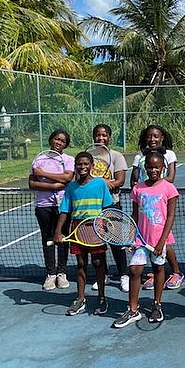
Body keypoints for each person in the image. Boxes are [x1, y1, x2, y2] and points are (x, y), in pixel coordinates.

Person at [113, 149, 179, 328]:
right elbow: (135, 216)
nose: (153, 170)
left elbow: (171, 217)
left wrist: (161, 242)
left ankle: (157, 305)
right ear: (145, 168)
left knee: (158, 269)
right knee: (135, 270)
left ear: (163, 168)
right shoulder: (137, 189)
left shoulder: (169, 188)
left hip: (160, 240)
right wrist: (131, 238)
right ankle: (133, 310)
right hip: (141, 240)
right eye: (150, 167)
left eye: (157, 167)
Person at [55, 151, 114, 316]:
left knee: (98, 263)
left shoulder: (101, 184)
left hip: (96, 227)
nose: (82, 167)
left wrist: (107, 228)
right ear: (75, 167)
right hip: (77, 228)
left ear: (92, 166)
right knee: (81, 264)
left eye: (85, 164)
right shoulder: (71, 187)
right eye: (79, 164)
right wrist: (58, 232)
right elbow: (65, 211)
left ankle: (102, 297)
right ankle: (80, 298)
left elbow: (107, 208)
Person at [130, 124, 184, 291]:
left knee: (164, 241)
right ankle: (154, 273)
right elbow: (134, 177)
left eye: (156, 136)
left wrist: (156, 187)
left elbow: (171, 177)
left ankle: (176, 272)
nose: (152, 139)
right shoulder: (139, 156)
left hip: (160, 200)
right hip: (144, 202)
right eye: (149, 136)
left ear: (162, 138)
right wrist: (141, 189)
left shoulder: (169, 154)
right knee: (149, 247)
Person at [28, 129, 75, 291]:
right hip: (43, 206)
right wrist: (54, 185)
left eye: (62, 141)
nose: (59, 142)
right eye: (56, 139)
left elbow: (67, 178)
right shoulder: (39, 159)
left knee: (62, 238)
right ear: (51, 140)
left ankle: (62, 273)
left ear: (66, 144)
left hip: (63, 205)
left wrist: (43, 174)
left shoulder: (69, 159)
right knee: (47, 238)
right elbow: (32, 183)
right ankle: (51, 274)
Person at [91, 124, 130, 293]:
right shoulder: (88, 156)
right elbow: (82, 179)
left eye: (104, 135)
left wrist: (105, 183)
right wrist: (100, 183)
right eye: (98, 135)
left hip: (112, 203)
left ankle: (124, 275)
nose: (101, 138)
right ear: (93, 137)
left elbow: (119, 181)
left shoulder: (116, 156)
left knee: (116, 241)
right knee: (97, 243)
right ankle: (103, 275)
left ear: (110, 137)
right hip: (92, 206)